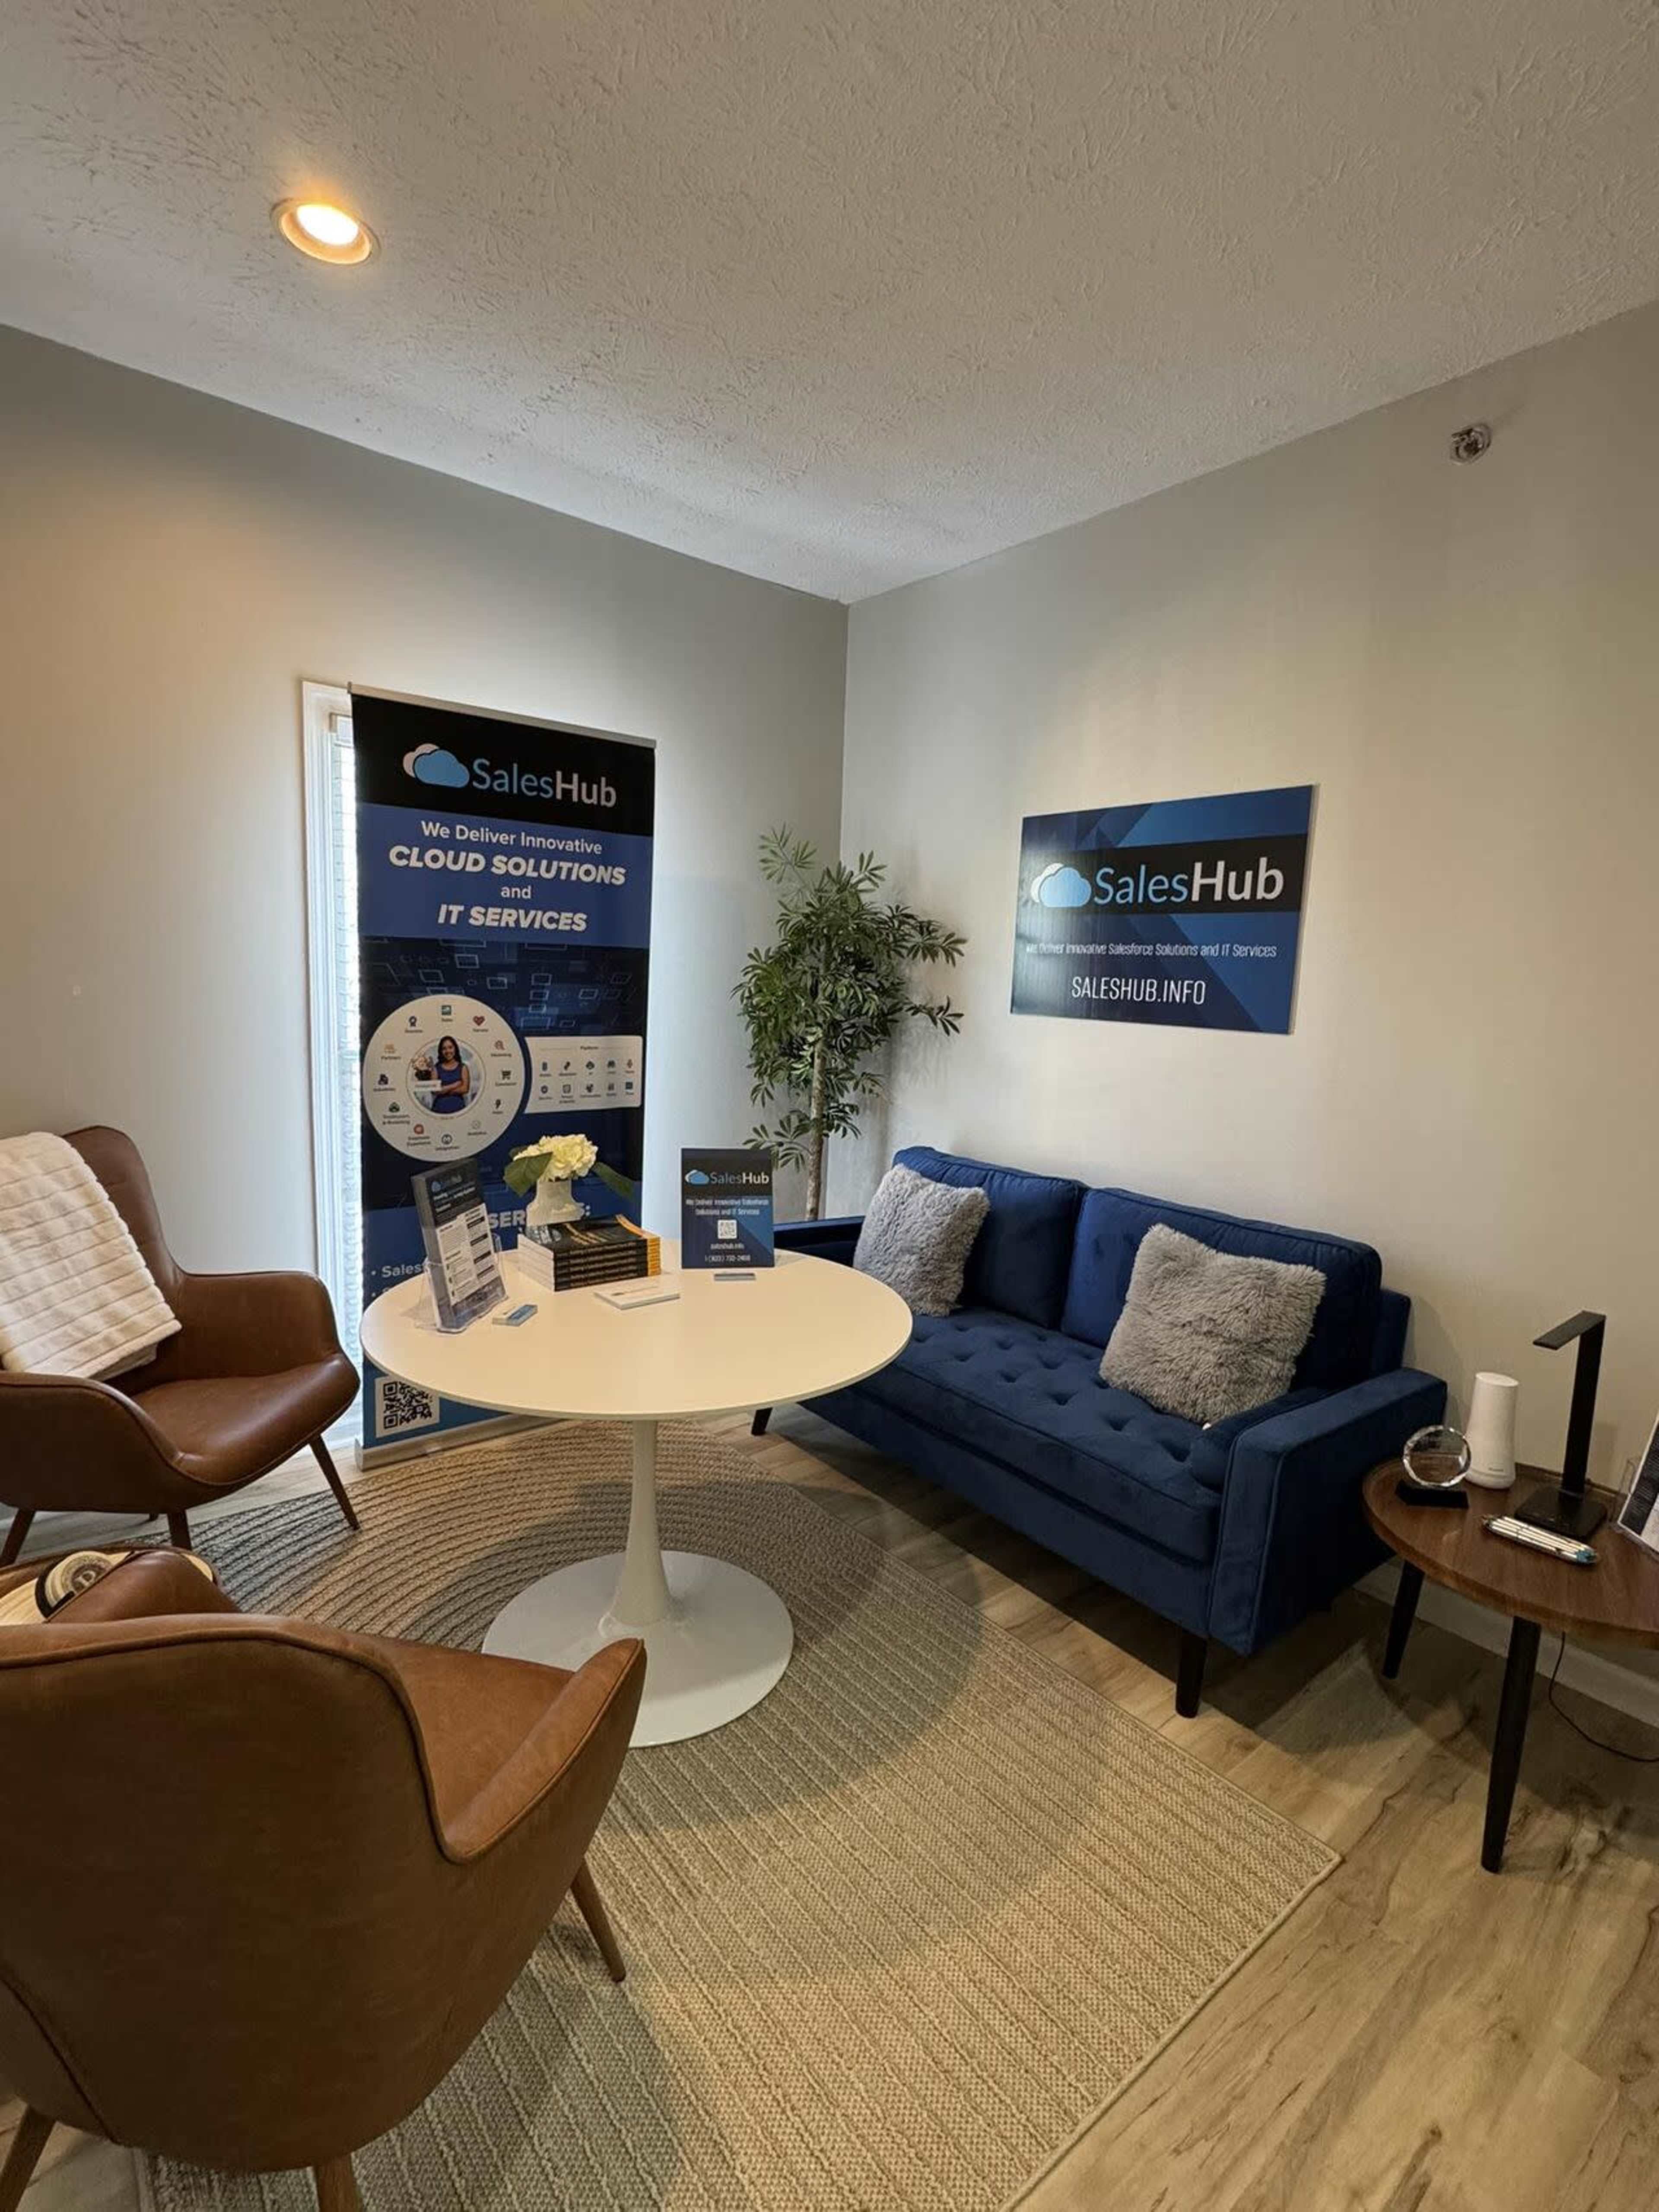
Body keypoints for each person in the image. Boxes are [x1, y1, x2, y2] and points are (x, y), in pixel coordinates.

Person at [417, 1034, 470, 1114]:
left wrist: (443, 1090)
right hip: (439, 1110)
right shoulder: (436, 1068)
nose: (448, 1051)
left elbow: (465, 1089)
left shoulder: (463, 1068)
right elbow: (434, 1091)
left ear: (455, 1049)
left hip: (459, 1110)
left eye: (450, 1047)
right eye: (444, 1049)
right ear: (441, 1051)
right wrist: (455, 1085)